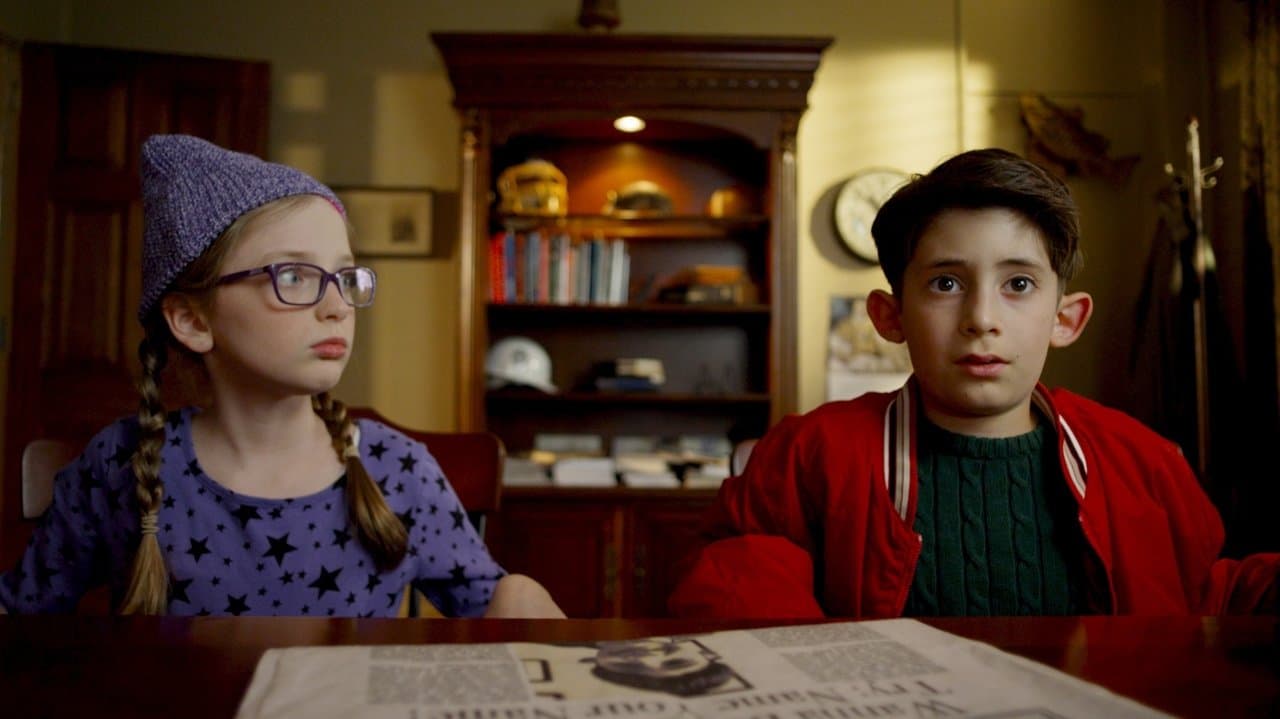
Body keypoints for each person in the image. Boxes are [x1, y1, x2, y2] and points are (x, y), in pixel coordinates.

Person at [668, 148, 1280, 618]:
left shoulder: (1144, 463)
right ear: (890, 316)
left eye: (1019, 284)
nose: (981, 318)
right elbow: (732, 587)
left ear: (1065, 319)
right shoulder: (809, 456)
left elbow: (1207, 598)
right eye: (946, 283)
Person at [0, 135, 564, 618]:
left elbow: (503, 614)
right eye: (294, 277)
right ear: (193, 321)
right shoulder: (122, 465)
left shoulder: (397, 469)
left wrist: (522, 597)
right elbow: (21, 618)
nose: (337, 307)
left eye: (345, 278)